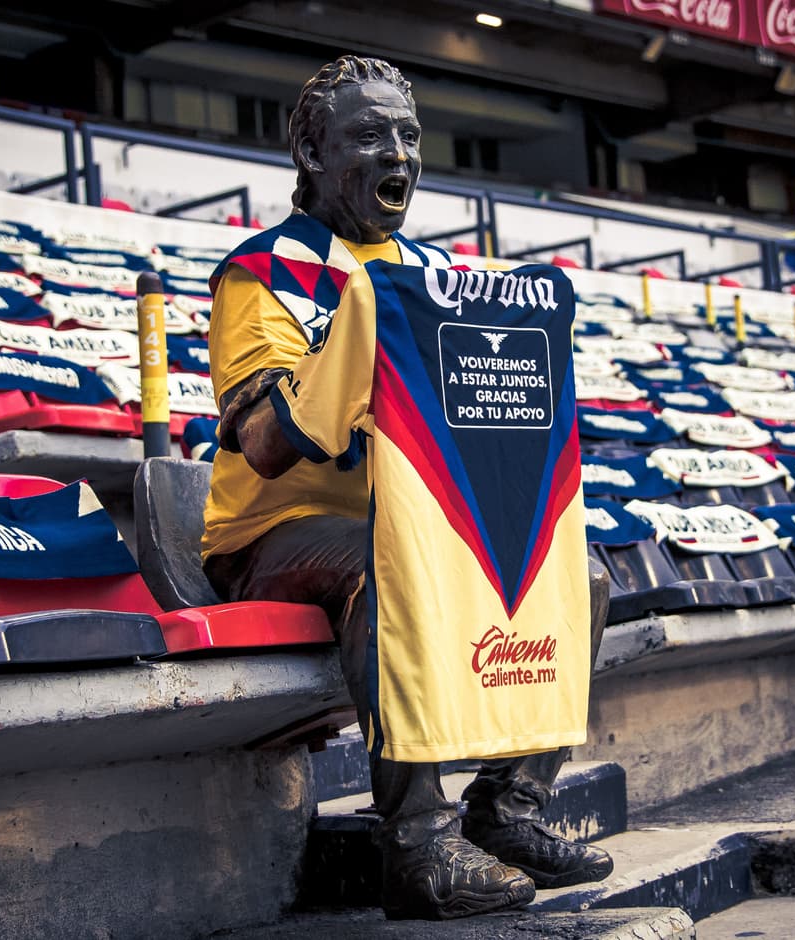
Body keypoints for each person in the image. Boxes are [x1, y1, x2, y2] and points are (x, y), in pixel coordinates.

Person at [201, 54, 613, 921]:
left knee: (580, 574)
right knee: (389, 563)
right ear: (311, 152)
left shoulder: (430, 275)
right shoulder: (260, 273)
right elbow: (266, 447)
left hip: (407, 515)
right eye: (367, 135)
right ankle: (417, 847)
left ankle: (508, 808)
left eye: (408, 135)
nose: (397, 153)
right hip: (273, 537)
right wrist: (352, 347)